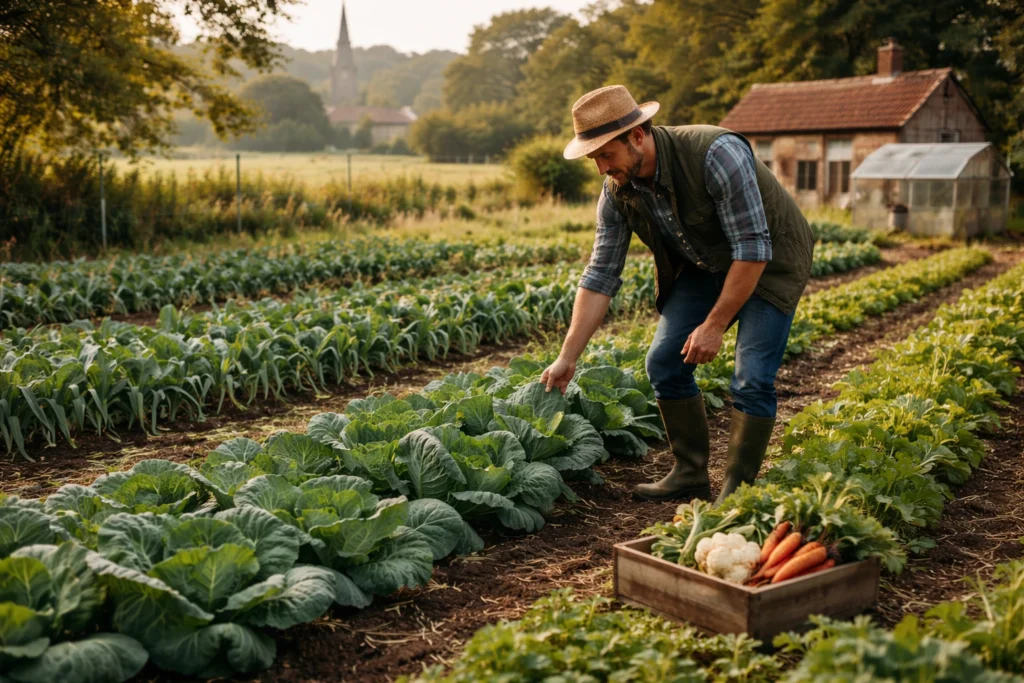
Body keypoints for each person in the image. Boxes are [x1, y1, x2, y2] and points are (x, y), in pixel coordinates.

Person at [540, 85, 814, 505]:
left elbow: (752, 248)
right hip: (704, 263)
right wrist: (567, 356)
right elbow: (600, 275)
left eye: (605, 154)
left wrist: (715, 324)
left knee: (751, 377)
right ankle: (689, 474)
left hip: (769, 262)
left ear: (636, 136)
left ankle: (738, 492)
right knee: (664, 363)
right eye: (594, 158)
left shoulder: (715, 153)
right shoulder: (618, 189)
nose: (600, 168)